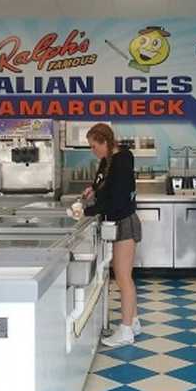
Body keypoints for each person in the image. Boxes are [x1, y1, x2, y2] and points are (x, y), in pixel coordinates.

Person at [76, 123, 141, 347]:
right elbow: (101, 183)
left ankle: (125, 331)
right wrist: (92, 189)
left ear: (105, 142)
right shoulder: (106, 160)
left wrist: (87, 211)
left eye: (94, 146)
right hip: (115, 221)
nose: (93, 151)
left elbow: (116, 199)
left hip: (124, 222)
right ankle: (133, 321)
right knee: (124, 276)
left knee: (123, 277)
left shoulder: (122, 160)